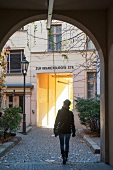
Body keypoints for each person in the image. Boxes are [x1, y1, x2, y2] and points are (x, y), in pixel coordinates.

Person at [54, 99, 76, 164]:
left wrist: (55, 129)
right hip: (68, 130)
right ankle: (66, 156)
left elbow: (57, 121)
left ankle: (63, 156)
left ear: (63, 104)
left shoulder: (60, 111)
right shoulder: (70, 113)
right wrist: (74, 132)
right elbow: (72, 123)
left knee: (62, 144)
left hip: (61, 130)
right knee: (66, 144)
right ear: (69, 105)